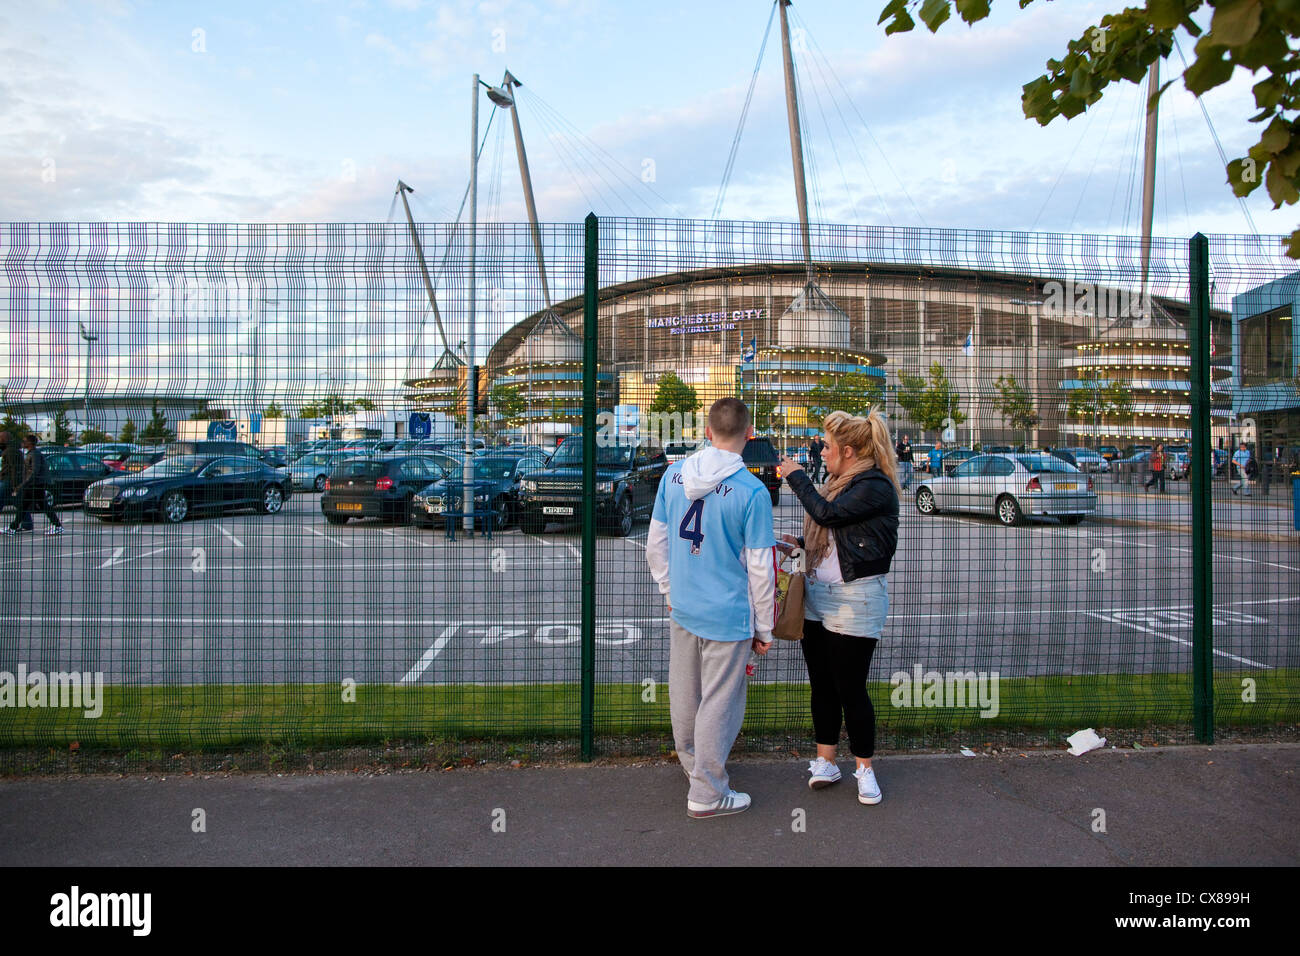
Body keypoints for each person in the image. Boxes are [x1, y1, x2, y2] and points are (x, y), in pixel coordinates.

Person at [646, 397, 776, 819]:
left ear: (706, 430)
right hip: (728, 615)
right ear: (749, 435)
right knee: (719, 701)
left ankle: (695, 769)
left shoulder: (673, 474)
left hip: (684, 607)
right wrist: (765, 627)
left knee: (685, 694)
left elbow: (656, 544)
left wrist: (669, 590)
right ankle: (706, 793)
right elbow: (760, 568)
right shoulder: (752, 491)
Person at [777, 408, 900, 806]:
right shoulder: (835, 483)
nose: (821, 452)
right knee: (823, 685)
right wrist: (799, 542)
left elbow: (827, 514)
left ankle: (864, 769)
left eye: (826, 446)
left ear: (847, 451)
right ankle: (825, 760)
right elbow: (830, 531)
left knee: (851, 687)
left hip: (856, 598)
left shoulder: (874, 485)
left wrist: (796, 476)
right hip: (818, 596)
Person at [5, 434, 64, 535]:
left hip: (35, 484)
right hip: (34, 484)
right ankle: (13, 527)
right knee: (26, 506)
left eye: (24, 441)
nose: (23, 442)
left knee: (39, 506)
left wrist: (23, 484)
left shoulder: (34, 454)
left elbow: (34, 471)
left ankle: (57, 526)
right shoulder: (31, 453)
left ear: (30, 443)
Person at [0, 431, 32, 532]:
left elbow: (14, 468)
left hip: (8, 481)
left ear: (4, 439)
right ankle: (27, 524)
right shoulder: (12, 450)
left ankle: (26, 524)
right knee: (19, 503)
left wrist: (15, 485)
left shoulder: (10, 451)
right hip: (11, 481)